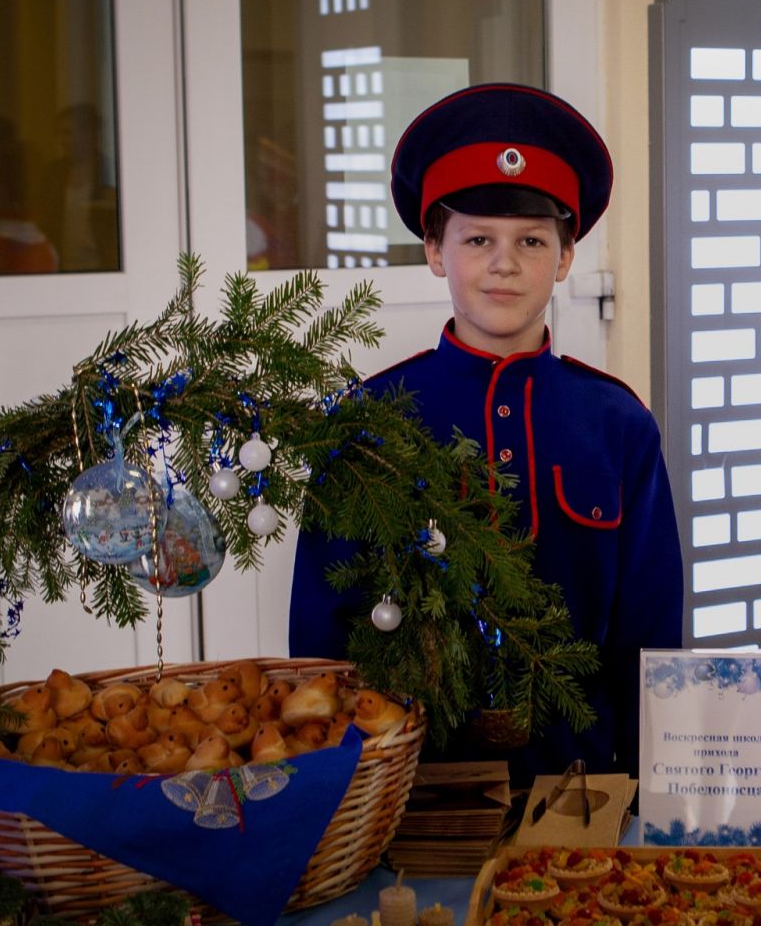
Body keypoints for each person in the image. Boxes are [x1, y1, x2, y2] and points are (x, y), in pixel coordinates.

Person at [289, 83, 684, 782]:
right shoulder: (369, 422)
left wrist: (642, 786)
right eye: (478, 239)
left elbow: (649, 634)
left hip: (578, 786)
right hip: (406, 788)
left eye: (532, 240)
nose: (505, 263)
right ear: (435, 250)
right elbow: (324, 633)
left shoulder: (618, 424)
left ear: (565, 258)